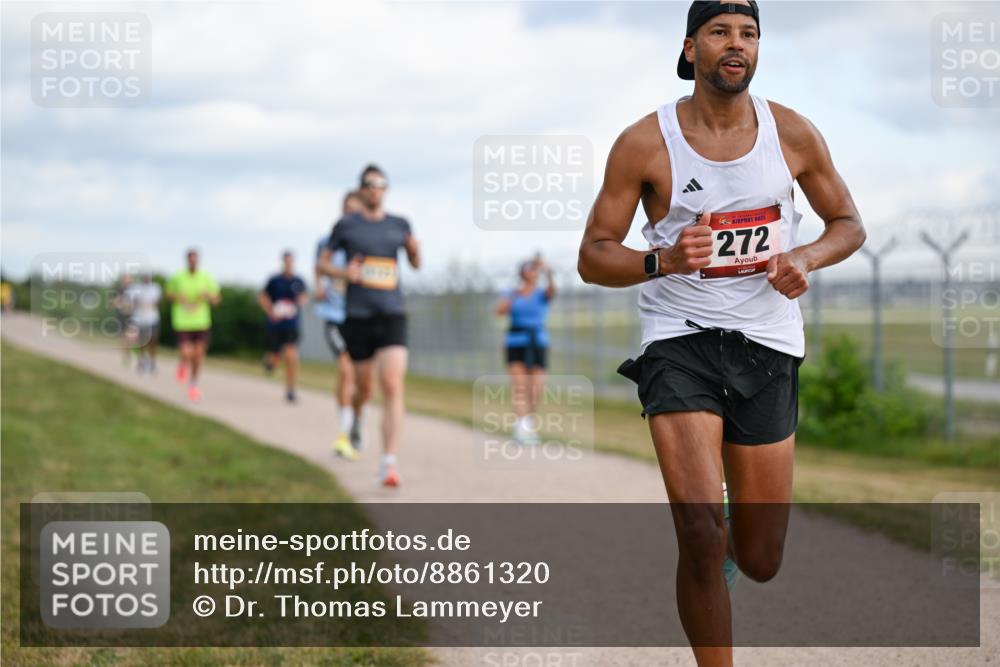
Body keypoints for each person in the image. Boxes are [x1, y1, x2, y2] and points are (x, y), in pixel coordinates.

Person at [576, 2, 866, 665]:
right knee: (701, 531)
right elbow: (594, 255)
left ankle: (734, 541)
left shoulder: (791, 134)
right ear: (691, 47)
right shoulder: (644, 143)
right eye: (720, 32)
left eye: (749, 33)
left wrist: (804, 257)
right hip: (677, 338)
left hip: (767, 341)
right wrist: (665, 258)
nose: (736, 44)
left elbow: (848, 222)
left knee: (760, 557)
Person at [317, 165, 421, 487]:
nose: (375, 189)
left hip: (392, 312)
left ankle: (388, 463)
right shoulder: (346, 226)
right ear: (361, 189)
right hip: (358, 316)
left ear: (386, 189)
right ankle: (357, 416)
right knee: (365, 388)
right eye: (369, 184)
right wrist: (343, 273)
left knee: (392, 384)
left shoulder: (400, 224)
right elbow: (321, 264)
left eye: (381, 184)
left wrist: (416, 252)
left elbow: (416, 264)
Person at [316, 190, 366, 459]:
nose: (349, 214)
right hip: (335, 316)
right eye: (345, 208)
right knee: (346, 371)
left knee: (364, 382)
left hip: (362, 317)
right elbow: (318, 266)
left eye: (354, 210)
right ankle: (343, 434)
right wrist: (318, 287)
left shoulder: (368, 244)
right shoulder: (328, 241)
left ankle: (357, 422)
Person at [496, 255, 556, 445]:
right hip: (516, 342)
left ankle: (527, 424)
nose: (533, 272)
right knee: (520, 387)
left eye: (534, 269)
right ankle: (521, 428)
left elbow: (552, 291)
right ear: (522, 272)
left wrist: (546, 269)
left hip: (537, 342)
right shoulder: (512, 293)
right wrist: (515, 295)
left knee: (535, 388)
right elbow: (500, 310)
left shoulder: (541, 294)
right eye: (530, 269)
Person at [166, 249, 221, 402]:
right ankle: (183, 363)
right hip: (182, 320)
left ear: (198, 260)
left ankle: (193, 384)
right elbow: (168, 294)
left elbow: (217, 300)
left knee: (198, 355)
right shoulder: (178, 277)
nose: (193, 262)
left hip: (201, 322)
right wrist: (178, 297)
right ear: (186, 260)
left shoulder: (206, 277)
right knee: (186, 353)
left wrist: (208, 296)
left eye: (195, 259)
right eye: (190, 259)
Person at [259, 251, 308, 403]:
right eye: (286, 261)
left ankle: (291, 390)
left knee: (291, 355)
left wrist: (299, 303)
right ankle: (269, 362)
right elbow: (262, 297)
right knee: (275, 357)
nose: (288, 264)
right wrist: (271, 311)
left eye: (291, 262)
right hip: (275, 325)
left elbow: (304, 297)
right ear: (283, 262)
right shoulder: (274, 280)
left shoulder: (299, 281)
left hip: (291, 324)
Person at [124, 274, 163, 374]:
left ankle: (152, 361)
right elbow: (129, 302)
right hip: (140, 319)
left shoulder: (155, 288)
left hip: (153, 318)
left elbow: (159, 301)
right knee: (142, 342)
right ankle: (141, 361)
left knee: (153, 341)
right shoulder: (136, 288)